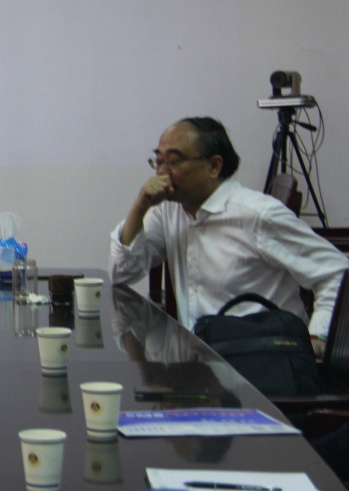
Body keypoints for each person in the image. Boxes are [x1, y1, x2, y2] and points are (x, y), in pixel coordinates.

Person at [110, 117, 347, 355]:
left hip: (262, 359)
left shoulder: (258, 215)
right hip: (202, 359)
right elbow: (123, 274)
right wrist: (140, 207)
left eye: (173, 161)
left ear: (214, 166)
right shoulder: (168, 210)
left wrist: (318, 335)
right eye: (158, 161)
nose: (161, 173)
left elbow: (337, 272)